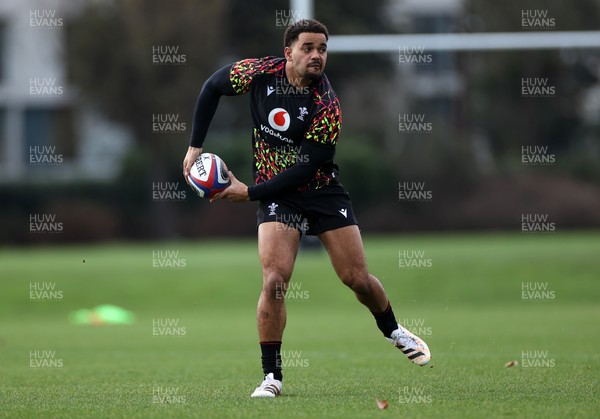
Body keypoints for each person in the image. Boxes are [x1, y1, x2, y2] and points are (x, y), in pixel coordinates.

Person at [182, 18, 430, 398]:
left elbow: (305, 168)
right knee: (274, 281)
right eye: (308, 48)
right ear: (288, 53)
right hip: (277, 195)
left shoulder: (326, 104)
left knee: (357, 280)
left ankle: (394, 330)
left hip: (321, 191)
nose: (317, 56)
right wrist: (195, 146)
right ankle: (272, 377)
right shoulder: (258, 73)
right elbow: (211, 87)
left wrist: (247, 192)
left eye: (323, 49)